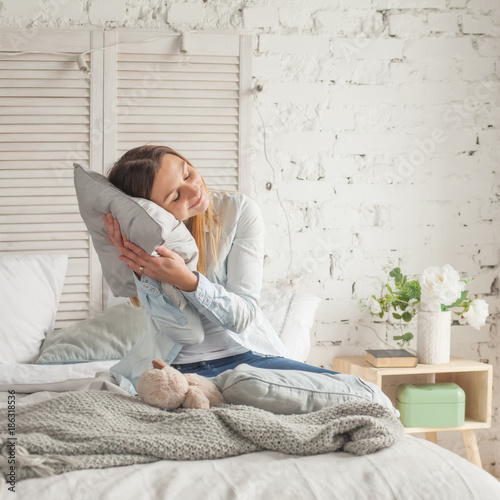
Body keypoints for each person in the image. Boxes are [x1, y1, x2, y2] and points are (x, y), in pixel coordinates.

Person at [104, 144, 346, 396]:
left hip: (249, 360)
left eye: (187, 174)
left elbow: (242, 316)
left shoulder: (238, 212)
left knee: (354, 390)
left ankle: (232, 389)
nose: (193, 189)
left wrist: (189, 282)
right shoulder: (140, 244)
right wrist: (145, 272)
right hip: (175, 369)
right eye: (174, 196)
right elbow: (183, 332)